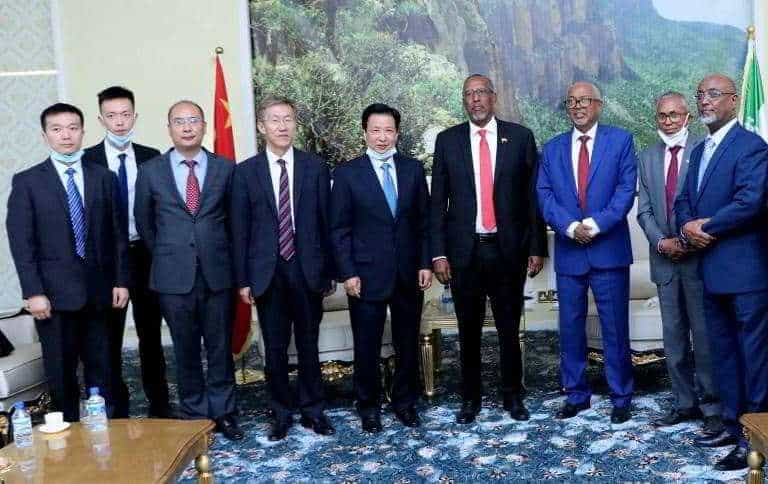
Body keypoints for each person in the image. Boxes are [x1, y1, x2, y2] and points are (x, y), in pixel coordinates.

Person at [430, 74, 547, 424]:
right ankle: (470, 399)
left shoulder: (520, 138)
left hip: (507, 250)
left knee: (509, 327)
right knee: (467, 329)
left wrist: (536, 246)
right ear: (464, 101)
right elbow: (437, 202)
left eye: (481, 93)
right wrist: (438, 253)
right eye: (469, 94)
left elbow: (533, 198)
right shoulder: (447, 141)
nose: (476, 99)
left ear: (494, 97)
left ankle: (513, 395)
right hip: (464, 252)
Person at [6, 103, 130, 422]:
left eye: (73, 128)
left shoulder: (103, 177)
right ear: (45, 135)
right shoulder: (28, 182)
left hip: (100, 293)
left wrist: (121, 281)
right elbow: (22, 244)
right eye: (57, 129)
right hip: (52, 298)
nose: (66, 135)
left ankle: (108, 432)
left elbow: (117, 235)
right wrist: (33, 292)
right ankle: (70, 433)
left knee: (105, 370)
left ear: (83, 131)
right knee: (61, 374)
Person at [134, 100, 243, 440]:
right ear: (169, 129)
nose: (187, 127)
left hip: (218, 273)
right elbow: (144, 222)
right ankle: (195, 414)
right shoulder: (151, 171)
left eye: (193, 120)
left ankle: (224, 412)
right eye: (179, 121)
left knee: (220, 347)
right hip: (172, 276)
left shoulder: (225, 168)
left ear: (204, 126)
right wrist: (171, 252)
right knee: (185, 349)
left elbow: (236, 221)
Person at [675, 74, 768, 471]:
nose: (705, 100)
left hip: (746, 274)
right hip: (710, 271)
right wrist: (686, 228)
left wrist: (705, 227)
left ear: (733, 100)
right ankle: (732, 425)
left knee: (754, 358)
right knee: (724, 355)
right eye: (700, 94)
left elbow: (750, 202)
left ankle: (756, 440)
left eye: (714, 94)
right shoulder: (699, 150)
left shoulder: (752, 146)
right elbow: (683, 200)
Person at [231, 96, 335, 441]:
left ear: (295, 124)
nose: (282, 126)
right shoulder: (245, 172)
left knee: (308, 345)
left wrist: (328, 271)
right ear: (262, 126)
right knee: (274, 348)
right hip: (267, 273)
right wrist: (243, 279)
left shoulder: (315, 167)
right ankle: (280, 412)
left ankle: (313, 410)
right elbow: (240, 230)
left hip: (307, 270)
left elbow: (326, 223)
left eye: (288, 119)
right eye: (274, 120)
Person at [537, 81, 637, 424]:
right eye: (572, 101)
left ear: (599, 105)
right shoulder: (552, 148)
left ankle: (621, 396)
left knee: (614, 327)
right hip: (570, 250)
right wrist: (569, 227)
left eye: (584, 100)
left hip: (608, 249)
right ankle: (576, 394)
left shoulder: (621, 141)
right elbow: (544, 195)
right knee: (570, 327)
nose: (578, 106)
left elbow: (625, 191)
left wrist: (594, 225)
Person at [330, 103, 432, 433]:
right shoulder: (347, 174)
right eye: (375, 130)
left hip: (408, 272)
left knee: (407, 342)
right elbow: (339, 229)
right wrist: (348, 272)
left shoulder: (413, 169)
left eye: (389, 130)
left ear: (397, 133)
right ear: (364, 133)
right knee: (367, 345)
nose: (382, 137)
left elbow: (424, 222)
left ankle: (405, 402)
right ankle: (368, 406)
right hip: (364, 275)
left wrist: (425, 263)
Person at [636, 91, 722, 434]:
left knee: (704, 338)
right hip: (664, 261)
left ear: (687, 117)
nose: (668, 121)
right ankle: (684, 403)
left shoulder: (704, 150)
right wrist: (662, 242)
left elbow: (712, 202)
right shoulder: (647, 157)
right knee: (673, 339)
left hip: (699, 259)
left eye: (674, 114)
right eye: (662, 115)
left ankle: (712, 406)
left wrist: (687, 240)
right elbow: (644, 210)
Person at [83, 86, 170, 419]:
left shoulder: (152, 156)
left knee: (151, 334)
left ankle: (159, 404)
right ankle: (116, 406)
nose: (119, 121)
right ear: (101, 119)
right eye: (111, 115)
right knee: (109, 337)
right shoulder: (87, 159)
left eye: (125, 114)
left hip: (145, 254)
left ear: (135, 116)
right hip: (107, 262)